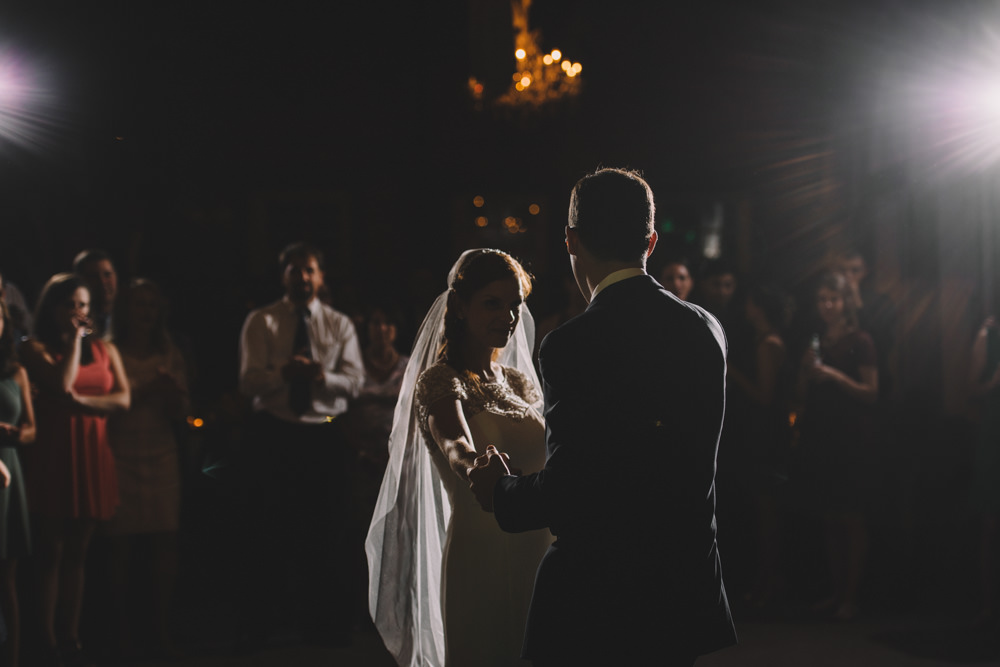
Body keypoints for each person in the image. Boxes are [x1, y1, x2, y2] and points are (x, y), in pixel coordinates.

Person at [469, 168, 737, 666]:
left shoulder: (573, 344)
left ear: (571, 239)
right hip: (683, 585)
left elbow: (574, 488)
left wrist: (499, 492)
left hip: (600, 593)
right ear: (651, 242)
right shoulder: (707, 328)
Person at [366, 249, 551, 667]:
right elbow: (455, 446)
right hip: (482, 551)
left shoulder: (519, 383)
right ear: (460, 307)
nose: (507, 316)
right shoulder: (441, 380)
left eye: (514, 305)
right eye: (492, 303)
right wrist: (474, 467)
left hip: (538, 545)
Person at [237, 242, 364, 648]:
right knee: (270, 528)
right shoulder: (262, 321)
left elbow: (355, 381)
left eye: (309, 270)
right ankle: (265, 623)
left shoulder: (339, 324)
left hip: (324, 432)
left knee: (327, 533)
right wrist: (284, 373)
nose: (302, 277)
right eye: (294, 270)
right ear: (283, 276)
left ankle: (324, 626)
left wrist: (320, 376)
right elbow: (248, 381)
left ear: (320, 276)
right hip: (275, 433)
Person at [20, 273, 131, 666]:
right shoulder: (34, 349)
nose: (78, 312)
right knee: (51, 549)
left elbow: (122, 399)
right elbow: (61, 384)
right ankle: (45, 637)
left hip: (91, 452)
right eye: (70, 305)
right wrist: (73, 344)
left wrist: (85, 405)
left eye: (83, 305)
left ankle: (71, 634)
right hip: (54, 454)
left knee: (79, 552)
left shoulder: (106, 349)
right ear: (53, 309)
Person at [106, 279, 189, 659]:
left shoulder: (169, 352)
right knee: (120, 548)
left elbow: (183, 412)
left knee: (164, 542)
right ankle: (120, 631)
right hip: (121, 453)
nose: (145, 314)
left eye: (151, 307)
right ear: (126, 310)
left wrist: (170, 394)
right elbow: (109, 404)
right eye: (139, 306)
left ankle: (162, 629)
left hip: (161, 453)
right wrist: (144, 391)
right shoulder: (110, 351)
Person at [792, 271, 878, 621]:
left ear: (845, 302)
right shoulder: (816, 339)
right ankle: (836, 591)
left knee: (851, 517)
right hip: (821, 435)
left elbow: (872, 393)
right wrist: (804, 373)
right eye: (822, 299)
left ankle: (852, 598)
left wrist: (834, 375)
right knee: (829, 517)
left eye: (833, 299)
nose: (827, 306)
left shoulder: (861, 340)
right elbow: (801, 393)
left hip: (851, 438)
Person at [0, 300, 36, 667]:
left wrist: (14, 433)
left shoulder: (15, 371)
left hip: (9, 468)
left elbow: (32, 430)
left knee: (7, 577)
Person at [968, 315, 1000, 626]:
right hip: (995, 435)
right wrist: (994, 382)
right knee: (990, 524)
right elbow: (972, 387)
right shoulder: (987, 335)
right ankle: (988, 606)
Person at [72, 249, 118, 339]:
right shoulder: (75, 322)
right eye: (93, 276)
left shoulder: (131, 317)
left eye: (107, 274)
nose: (102, 282)